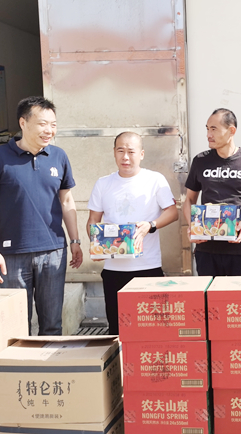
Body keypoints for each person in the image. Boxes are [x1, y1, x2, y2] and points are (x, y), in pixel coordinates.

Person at [0, 96, 83, 335]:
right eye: (43, 124)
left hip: (53, 252)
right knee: (15, 325)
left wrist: (75, 240)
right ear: (23, 123)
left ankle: (49, 360)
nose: (49, 130)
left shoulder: (59, 156)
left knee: (52, 324)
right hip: (12, 254)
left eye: (53, 125)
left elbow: (66, 200)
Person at [87, 132, 178, 336]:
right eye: (120, 151)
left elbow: (172, 212)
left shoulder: (154, 180)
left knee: (152, 329)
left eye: (131, 151)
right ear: (114, 152)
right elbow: (93, 220)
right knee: (117, 329)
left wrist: (150, 225)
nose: (125, 157)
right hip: (113, 269)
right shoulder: (103, 183)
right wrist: (95, 244)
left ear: (142, 154)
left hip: (148, 267)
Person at [183, 108, 241, 276]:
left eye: (214, 129)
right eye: (207, 129)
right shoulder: (201, 161)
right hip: (207, 249)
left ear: (231, 130)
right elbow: (189, 199)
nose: (208, 134)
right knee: (209, 293)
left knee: (240, 294)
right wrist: (192, 226)